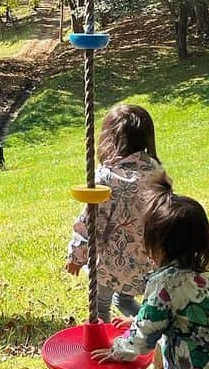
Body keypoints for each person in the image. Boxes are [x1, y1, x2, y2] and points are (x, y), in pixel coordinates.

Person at [92, 173, 209, 369]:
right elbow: (178, 318)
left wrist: (118, 349)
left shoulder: (165, 282)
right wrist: (136, 320)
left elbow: (145, 334)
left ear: (159, 244)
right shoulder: (200, 276)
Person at [66, 103, 163, 322]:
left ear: (110, 139)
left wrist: (77, 255)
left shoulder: (106, 179)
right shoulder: (157, 173)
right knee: (125, 300)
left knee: (100, 308)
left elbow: (91, 222)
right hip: (144, 262)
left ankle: (105, 344)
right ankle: (152, 329)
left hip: (110, 264)